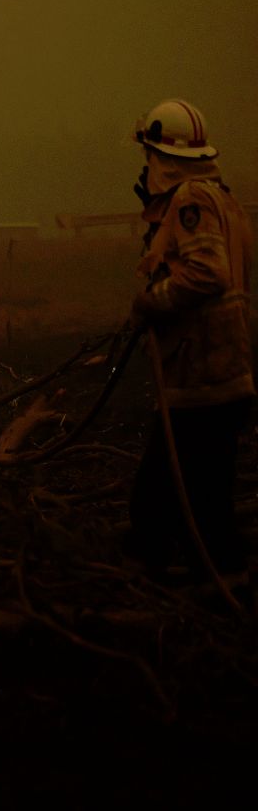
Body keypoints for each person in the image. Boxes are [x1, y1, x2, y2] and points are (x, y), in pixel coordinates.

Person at [125, 99, 253, 579]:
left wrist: (151, 302)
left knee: (158, 500)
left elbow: (207, 273)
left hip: (201, 376)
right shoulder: (224, 197)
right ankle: (215, 586)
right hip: (222, 371)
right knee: (206, 497)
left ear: (160, 157)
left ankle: (169, 595)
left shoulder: (191, 201)